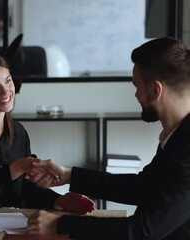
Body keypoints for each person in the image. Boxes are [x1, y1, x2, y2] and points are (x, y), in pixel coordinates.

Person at [26, 37, 190, 240]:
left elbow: (142, 231)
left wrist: (59, 224)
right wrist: (69, 175)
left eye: (137, 86)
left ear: (156, 90)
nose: (136, 95)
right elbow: (143, 187)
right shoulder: (178, 136)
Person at [0, 51, 95, 214]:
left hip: (6, 225)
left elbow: (26, 189)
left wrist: (58, 200)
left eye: (8, 81)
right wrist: (17, 167)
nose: (6, 92)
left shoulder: (18, 133)